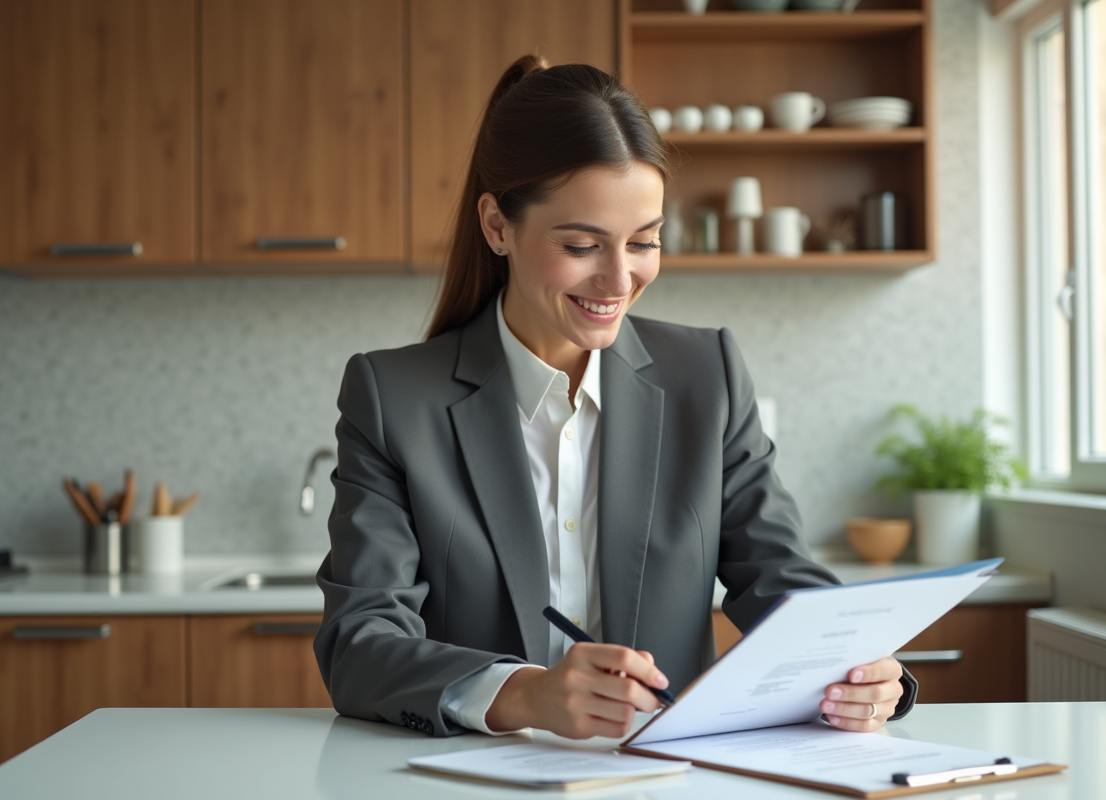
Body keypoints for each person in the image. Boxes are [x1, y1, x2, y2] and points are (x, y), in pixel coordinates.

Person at [314, 55, 916, 740]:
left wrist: (855, 667)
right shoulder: (393, 396)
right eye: (581, 244)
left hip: (670, 776)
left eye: (644, 242)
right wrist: (524, 694)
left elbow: (778, 575)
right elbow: (359, 642)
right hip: (474, 778)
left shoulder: (706, 374)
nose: (618, 278)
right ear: (497, 226)